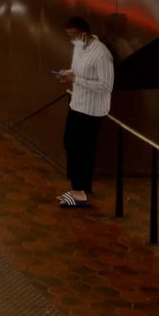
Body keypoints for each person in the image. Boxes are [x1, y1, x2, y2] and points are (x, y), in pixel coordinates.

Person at [54, 15, 115, 207]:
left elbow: (106, 86)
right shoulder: (79, 47)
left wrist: (77, 80)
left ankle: (78, 193)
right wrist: (68, 74)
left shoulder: (101, 54)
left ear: (84, 33)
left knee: (79, 149)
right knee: (72, 144)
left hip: (92, 110)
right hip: (77, 104)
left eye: (73, 35)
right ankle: (82, 187)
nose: (71, 39)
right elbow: (78, 72)